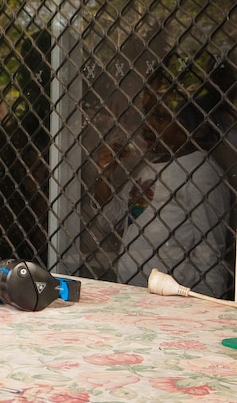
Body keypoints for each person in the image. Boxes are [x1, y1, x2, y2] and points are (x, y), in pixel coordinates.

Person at [93, 53, 234, 298]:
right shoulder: (151, 167)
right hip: (132, 293)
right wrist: (104, 175)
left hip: (167, 302)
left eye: (159, 116)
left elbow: (209, 256)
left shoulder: (202, 176)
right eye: (146, 113)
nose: (147, 125)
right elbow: (109, 221)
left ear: (196, 126)